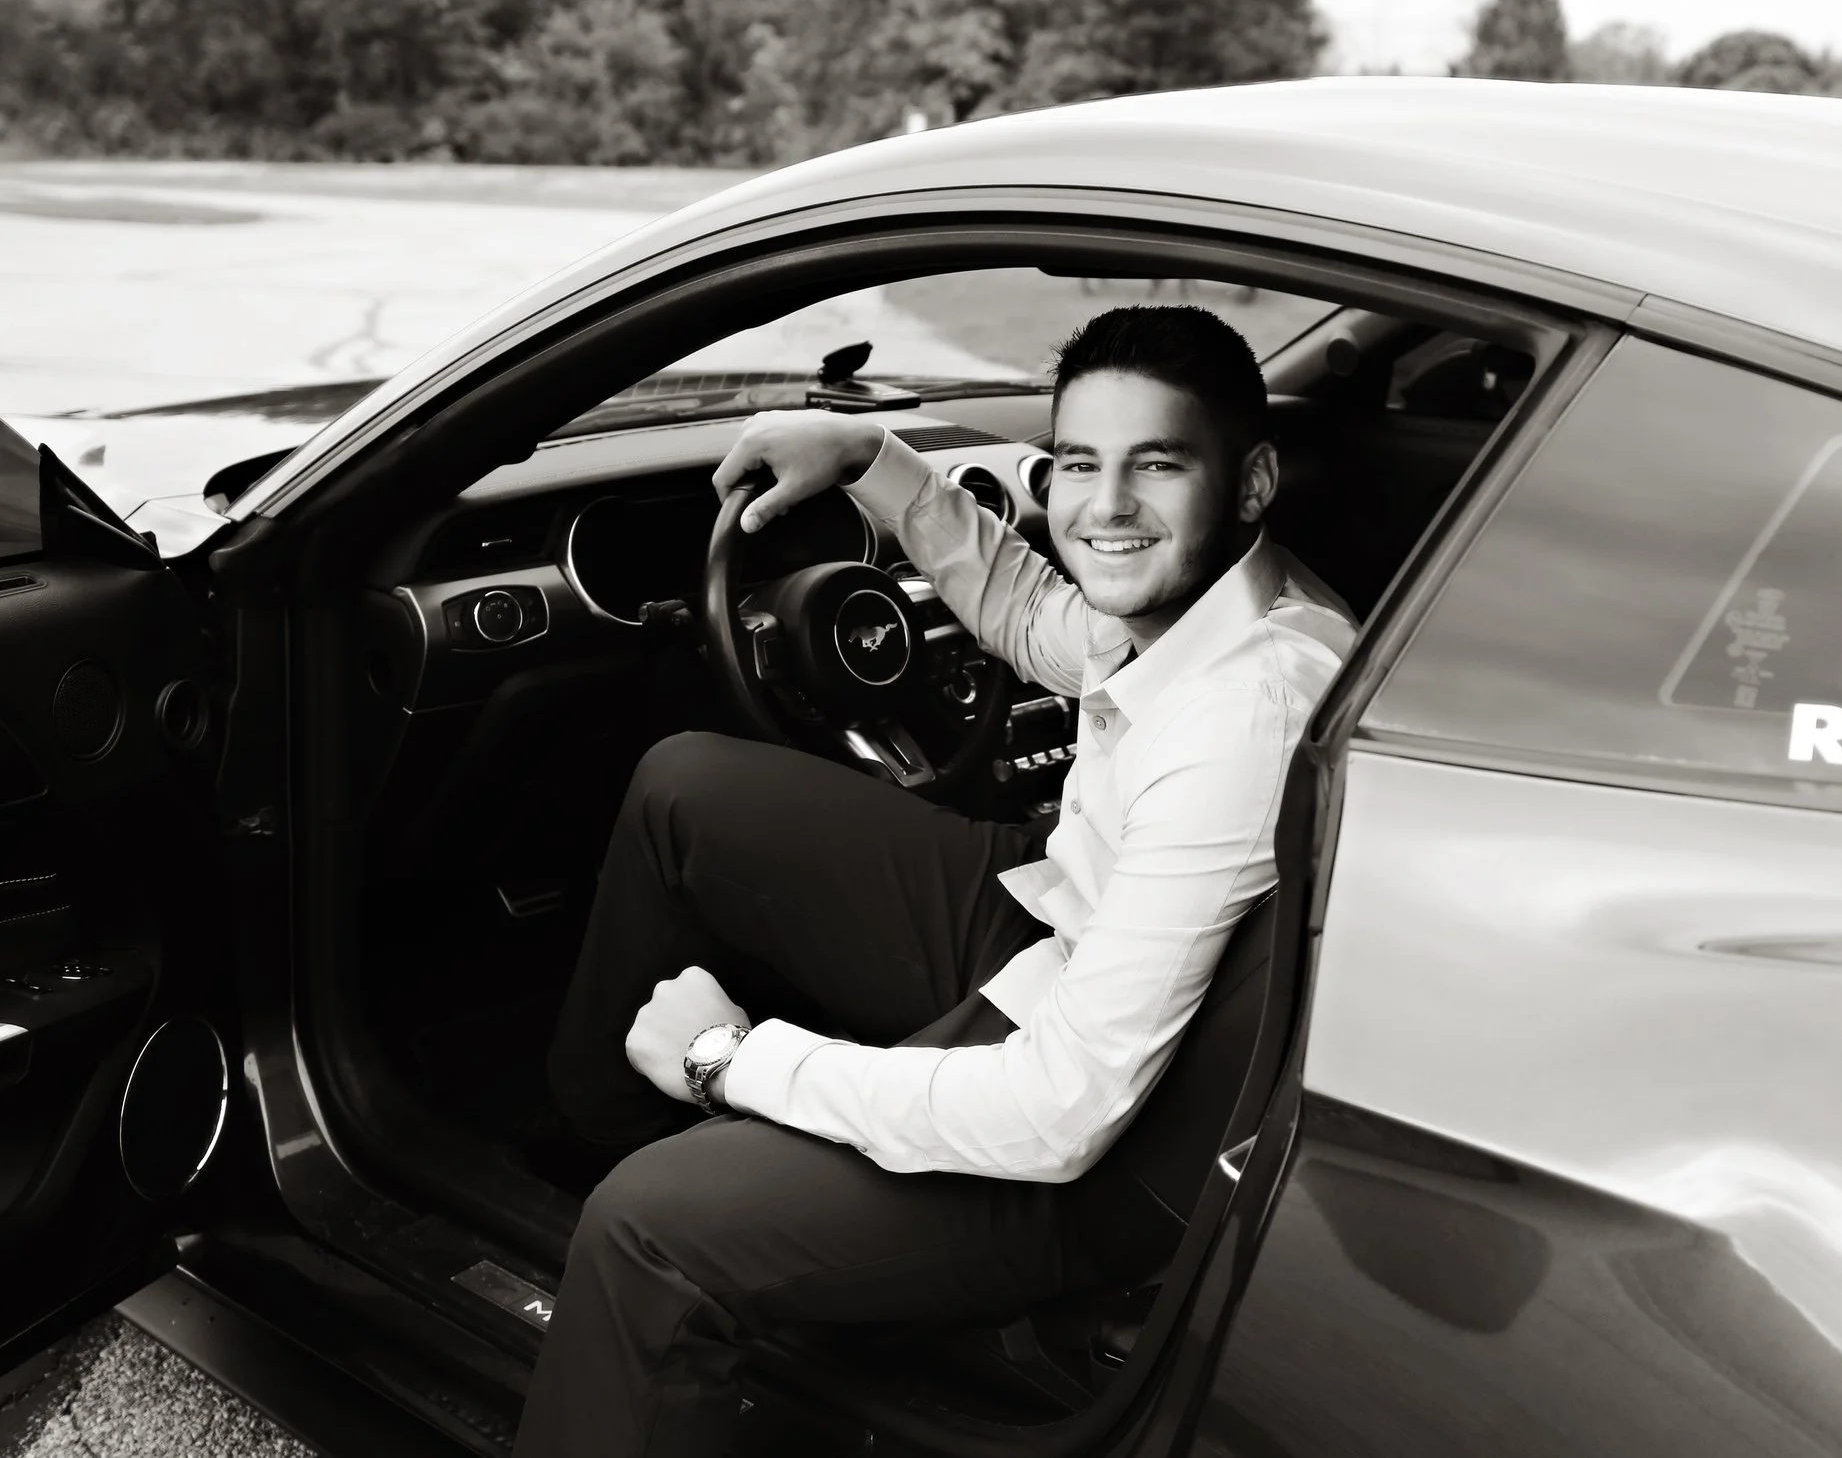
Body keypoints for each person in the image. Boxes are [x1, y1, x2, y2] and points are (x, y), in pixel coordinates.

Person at [515, 305, 1356, 1457]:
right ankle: (601, 1137)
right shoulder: (1194, 598)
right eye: (1076, 464)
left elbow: (1057, 1116)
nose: (1104, 506)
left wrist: (732, 1061)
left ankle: (657, 1235)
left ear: (1250, 479)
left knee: (648, 1229)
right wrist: (872, 459)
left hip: (1100, 1138)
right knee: (684, 789)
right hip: (1053, 921)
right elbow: (1038, 618)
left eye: (1155, 464)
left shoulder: (1243, 714)